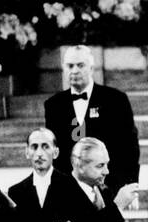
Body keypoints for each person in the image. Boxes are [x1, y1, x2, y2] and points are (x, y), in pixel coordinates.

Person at [43, 45, 140, 195]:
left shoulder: (115, 100)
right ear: (64, 69)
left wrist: (130, 183)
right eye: (70, 66)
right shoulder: (54, 105)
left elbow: (129, 146)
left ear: (91, 68)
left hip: (109, 184)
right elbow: (55, 151)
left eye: (80, 65)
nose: (75, 70)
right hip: (69, 188)